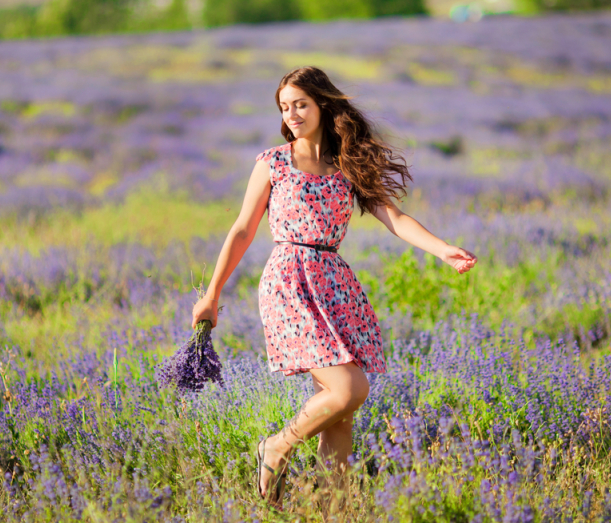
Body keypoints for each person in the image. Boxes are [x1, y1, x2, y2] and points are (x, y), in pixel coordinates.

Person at [190, 66, 477, 512]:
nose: (292, 114)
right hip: (290, 280)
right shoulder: (273, 162)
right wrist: (212, 294)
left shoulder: (348, 165)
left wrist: (442, 249)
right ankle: (276, 446)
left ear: (323, 104)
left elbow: (395, 219)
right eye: (285, 108)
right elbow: (243, 229)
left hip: (335, 284)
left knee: (342, 418)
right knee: (347, 390)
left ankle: (333, 510)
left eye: (300, 104)